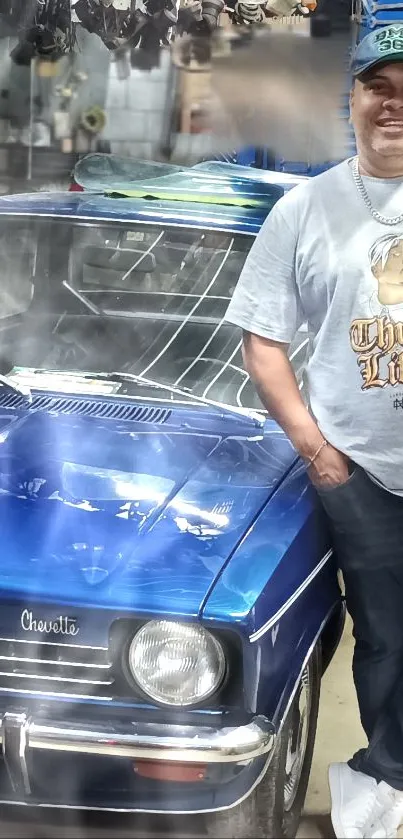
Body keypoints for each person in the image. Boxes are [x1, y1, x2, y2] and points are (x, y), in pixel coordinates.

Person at [225, 22, 403, 839]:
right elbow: (262, 343)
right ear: (355, 98)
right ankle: (389, 779)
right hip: (359, 470)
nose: (392, 105)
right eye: (379, 88)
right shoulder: (305, 208)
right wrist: (319, 456)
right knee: (387, 637)